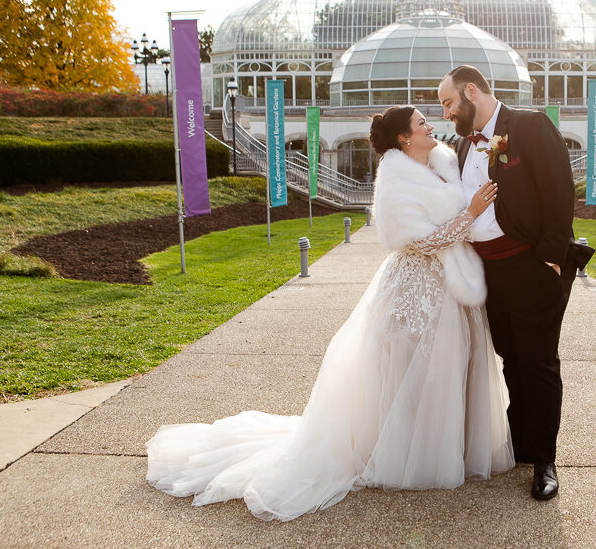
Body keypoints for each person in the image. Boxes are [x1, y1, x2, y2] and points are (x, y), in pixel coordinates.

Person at [145, 105, 514, 521]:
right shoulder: (394, 180)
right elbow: (417, 242)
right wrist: (471, 214)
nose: (430, 126)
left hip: (450, 285)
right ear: (403, 139)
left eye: (428, 120)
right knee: (410, 368)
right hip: (415, 288)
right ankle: (407, 453)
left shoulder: (445, 163)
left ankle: (448, 445)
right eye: (421, 123)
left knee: (446, 369)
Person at [438, 65, 582, 501]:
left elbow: (559, 189)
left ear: (471, 92)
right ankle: (521, 444)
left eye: (448, 103)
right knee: (510, 359)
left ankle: (545, 461)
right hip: (490, 274)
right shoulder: (462, 146)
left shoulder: (529, 125)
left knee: (538, 363)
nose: (446, 114)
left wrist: (553, 260)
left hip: (532, 267)